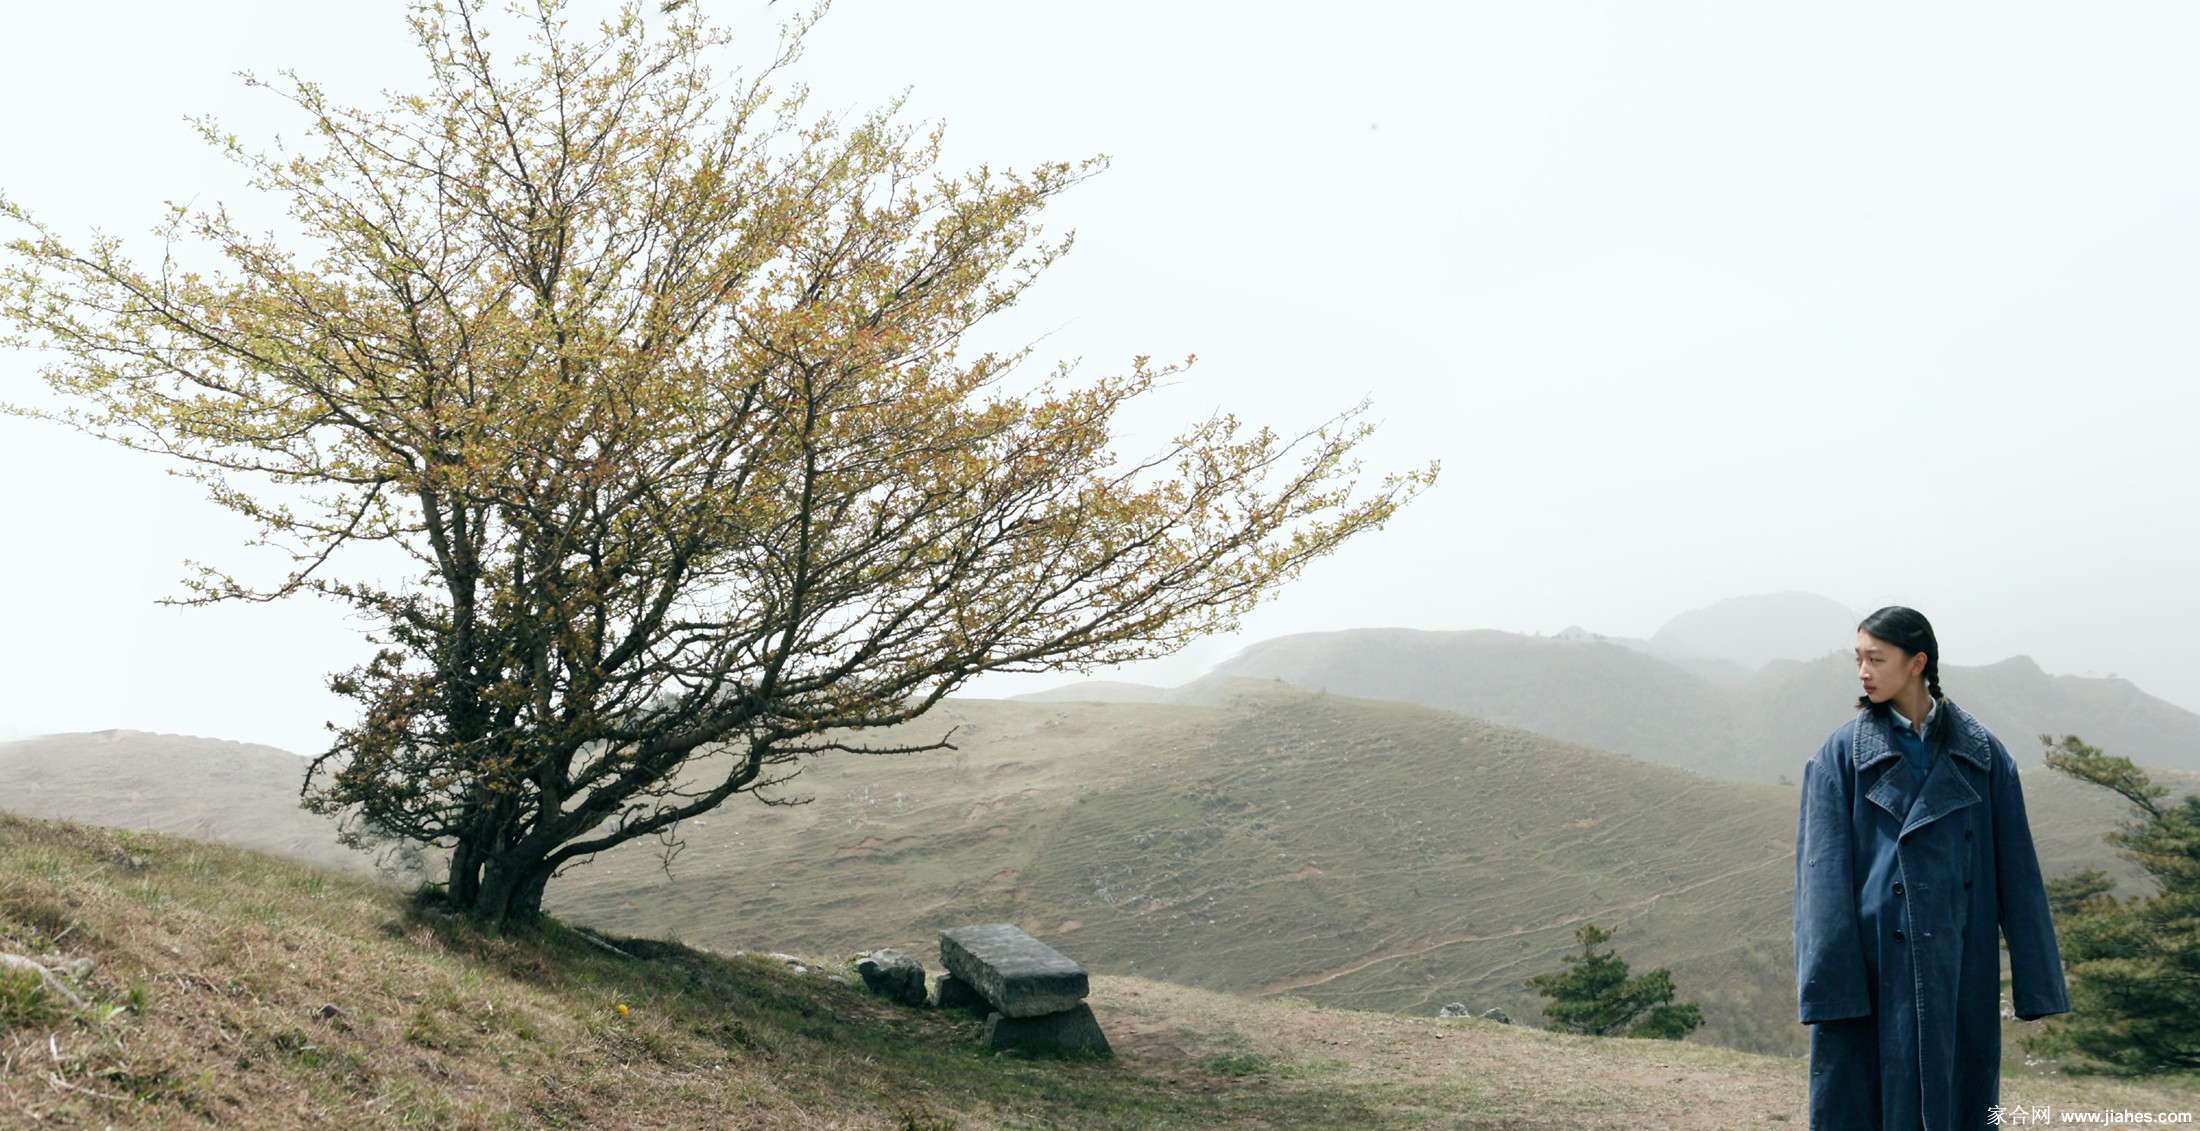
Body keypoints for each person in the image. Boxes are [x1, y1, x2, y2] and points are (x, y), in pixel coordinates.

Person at [1792, 606, 2068, 1129]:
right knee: (1862, 1103)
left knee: (1958, 1098)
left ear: (1917, 662)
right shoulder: (1840, 755)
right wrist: (1831, 987)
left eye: (1876, 658)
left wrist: (2038, 982)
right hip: (1872, 968)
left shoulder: (1985, 755)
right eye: (1858, 658)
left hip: (1960, 963)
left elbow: (2019, 875)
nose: (1863, 672)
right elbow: (1820, 881)